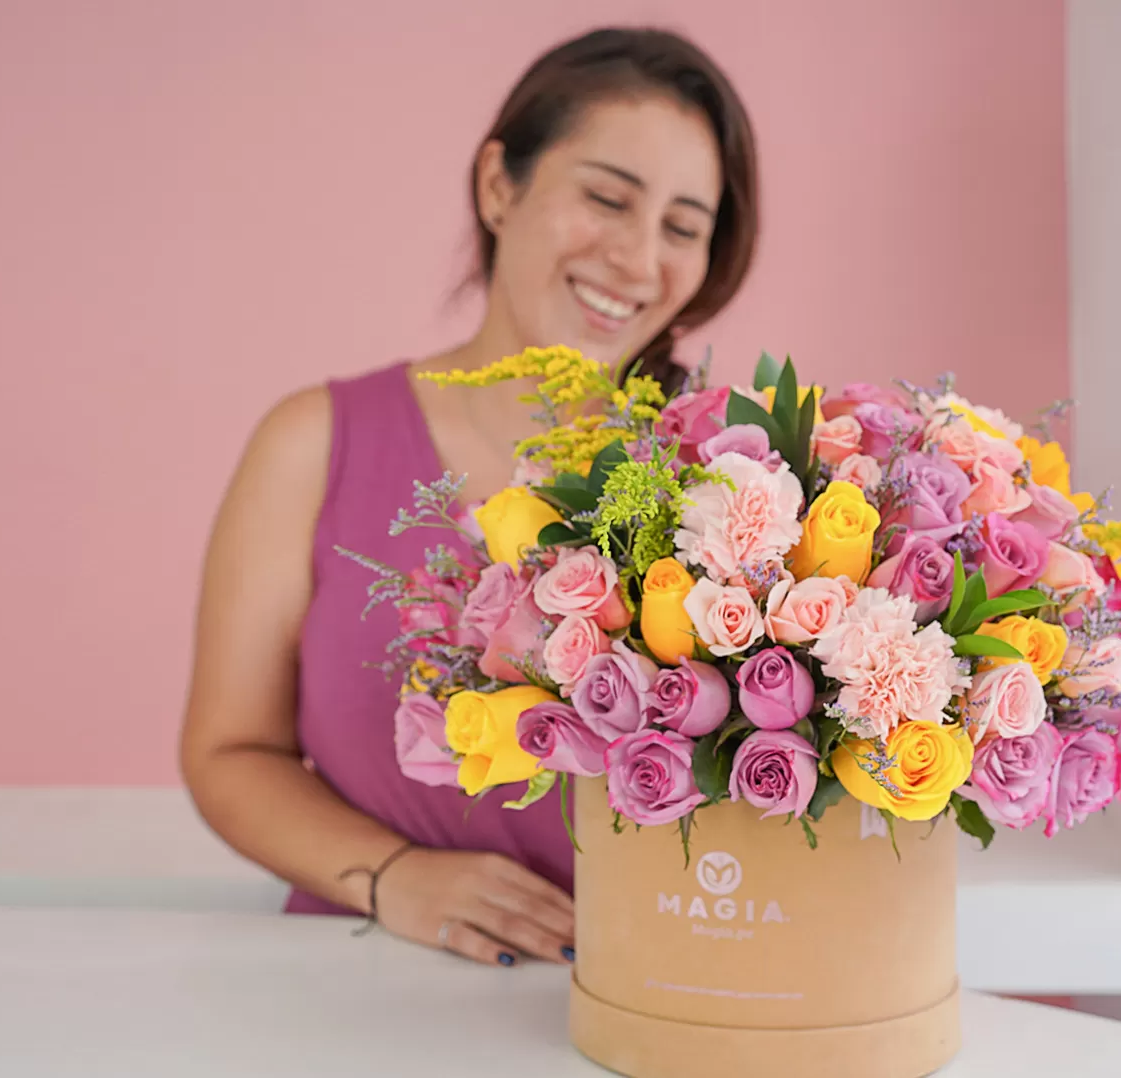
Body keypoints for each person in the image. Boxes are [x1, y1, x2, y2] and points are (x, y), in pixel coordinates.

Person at [179, 26, 760, 968]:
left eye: (684, 228)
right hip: (351, 981)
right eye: (607, 198)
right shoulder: (311, 445)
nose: (637, 257)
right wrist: (394, 874)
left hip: (642, 1001)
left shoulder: (731, 479)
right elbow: (229, 752)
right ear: (500, 185)